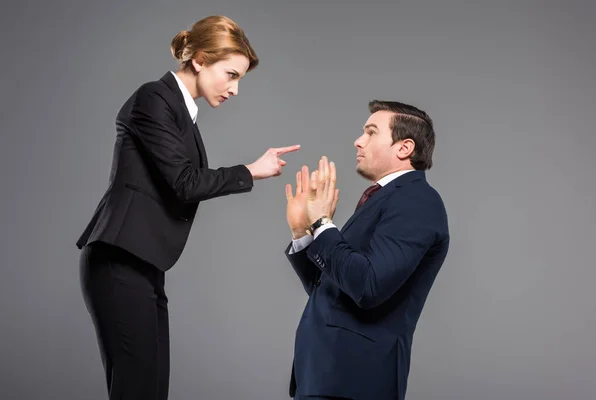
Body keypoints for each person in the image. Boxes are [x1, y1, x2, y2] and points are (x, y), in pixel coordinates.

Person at [77, 15, 299, 400]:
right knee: (137, 389)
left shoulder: (180, 112)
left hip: (143, 264)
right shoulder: (153, 99)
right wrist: (251, 171)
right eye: (230, 74)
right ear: (199, 59)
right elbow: (184, 183)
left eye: (240, 79)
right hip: (119, 260)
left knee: (151, 388)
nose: (235, 89)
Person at [283, 100, 450, 400]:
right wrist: (303, 232)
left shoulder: (416, 200)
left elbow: (368, 286)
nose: (358, 141)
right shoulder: (382, 199)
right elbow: (333, 289)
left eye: (371, 132)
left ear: (404, 148)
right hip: (323, 377)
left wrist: (322, 223)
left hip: (355, 382)